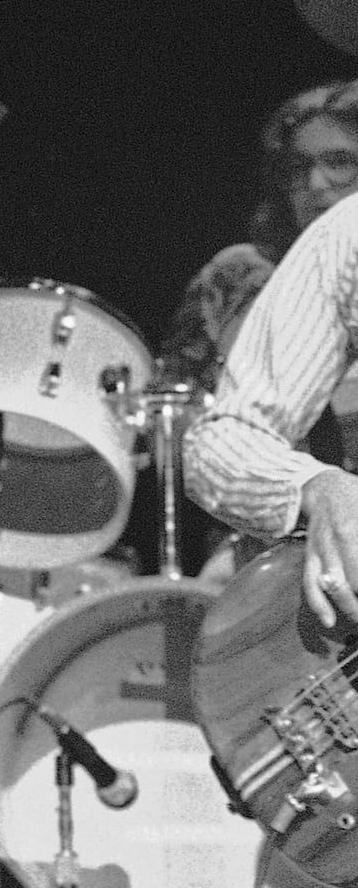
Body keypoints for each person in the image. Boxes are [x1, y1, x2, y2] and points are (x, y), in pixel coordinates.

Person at [160, 80, 358, 574]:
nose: (316, 185)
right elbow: (173, 405)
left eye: (338, 161)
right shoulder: (238, 274)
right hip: (268, 530)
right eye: (298, 168)